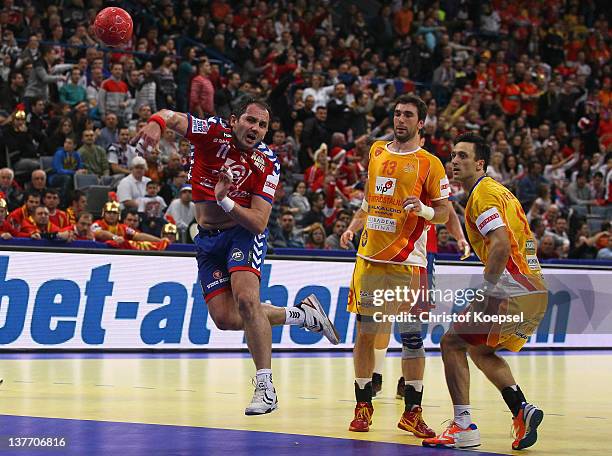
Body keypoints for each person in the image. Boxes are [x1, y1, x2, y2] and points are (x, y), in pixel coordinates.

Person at [133, 97, 339, 416]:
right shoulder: (213, 132)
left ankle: (265, 387)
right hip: (207, 240)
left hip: (242, 232)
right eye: (250, 121)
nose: (255, 128)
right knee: (226, 319)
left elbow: (258, 222)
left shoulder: (267, 161)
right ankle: (303, 315)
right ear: (233, 121)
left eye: (262, 125)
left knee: (246, 301)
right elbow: (170, 116)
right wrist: (155, 125)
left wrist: (224, 200)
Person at [422, 133, 547, 450]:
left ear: (480, 163)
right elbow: (519, 241)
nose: (455, 161)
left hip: (511, 288)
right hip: (535, 289)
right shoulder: (499, 192)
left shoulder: (482, 196)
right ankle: (522, 410)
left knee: (450, 342)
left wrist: (489, 289)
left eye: (463, 156)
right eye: (453, 155)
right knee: (479, 349)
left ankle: (462, 427)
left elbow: (502, 244)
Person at [340, 94, 450, 435]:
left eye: (408, 115)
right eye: (397, 113)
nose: (400, 119)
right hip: (369, 260)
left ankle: (412, 412)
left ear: (421, 123)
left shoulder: (430, 163)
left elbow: (445, 213)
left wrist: (425, 210)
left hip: (410, 263)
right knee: (365, 335)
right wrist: (353, 226)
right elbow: (369, 200)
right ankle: (363, 406)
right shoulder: (376, 151)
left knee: (413, 339)